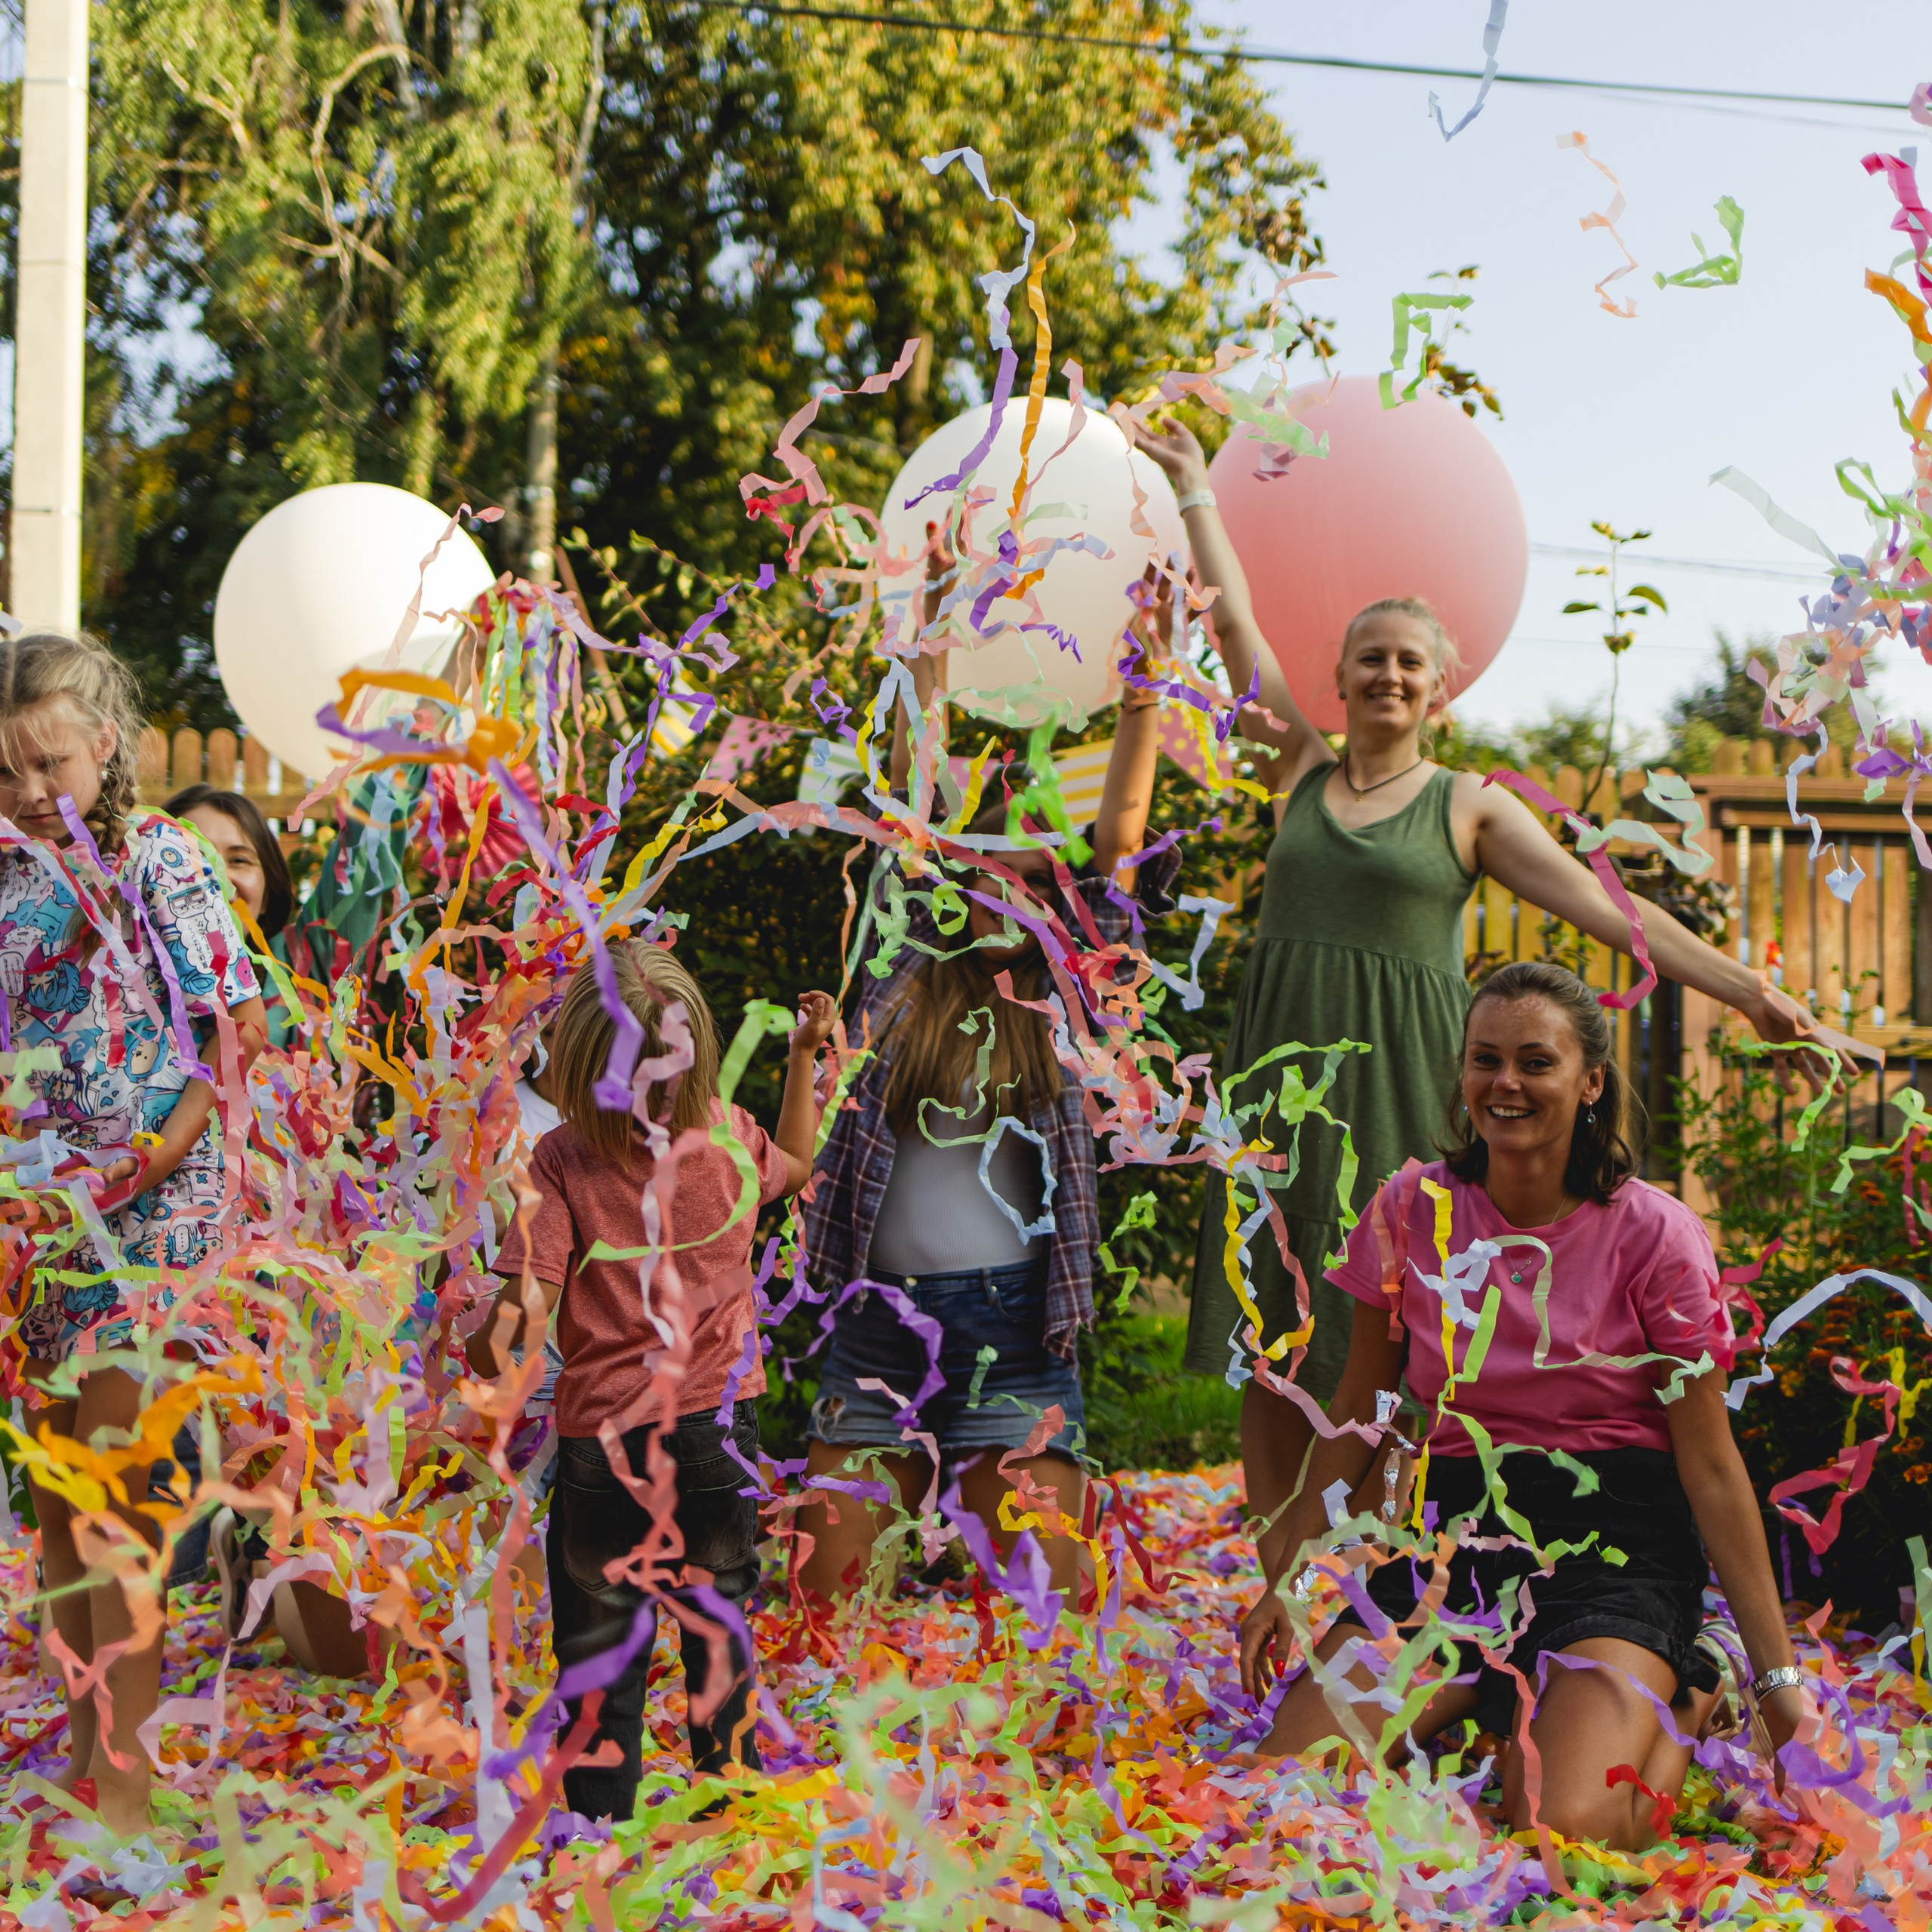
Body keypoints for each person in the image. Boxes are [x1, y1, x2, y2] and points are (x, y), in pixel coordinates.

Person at [1128, 415, 1860, 1569]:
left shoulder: (1466, 806)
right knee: (1267, 1343)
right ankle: (1278, 1584)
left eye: (1409, 661)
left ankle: (1381, 1573)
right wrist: (1187, 485)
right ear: (1340, 674)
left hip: (1397, 1082)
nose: (1387, 674)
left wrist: (1753, 993)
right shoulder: (1299, 773)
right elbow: (1232, 621)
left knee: (1391, 1338)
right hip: (1277, 1089)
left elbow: (1611, 913)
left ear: (1440, 687)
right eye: (1369, 657)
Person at [1236, 961, 1808, 1850]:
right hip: (1454, 1547)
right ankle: (1498, 1691)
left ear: (1589, 1083)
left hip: (1614, 1549)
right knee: (1285, 1787)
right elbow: (1361, 1407)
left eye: (1535, 1062)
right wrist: (1286, 1575)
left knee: (1563, 1824)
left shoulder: (1655, 1234)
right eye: (1485, 1059)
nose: (1504, 1083)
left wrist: (1779, 1679)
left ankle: (1694, 1687)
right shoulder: (1408, 1207)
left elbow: (1708, 1462)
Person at [795, 543, 1178, 1602]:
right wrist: (925, 636)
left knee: (1039, 1614)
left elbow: (1124, 844)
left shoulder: (1063, 994)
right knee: (826, 1610)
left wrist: (1144, 690)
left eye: (1024, 865)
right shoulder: (901, 967)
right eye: (978, 860)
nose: (997, 878)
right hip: (876, 1320)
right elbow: (910, 807)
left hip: (1013, 1326)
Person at [469, 940, 835, 1820]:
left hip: (604, 1444)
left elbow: (523, 1313)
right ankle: (729, 1795)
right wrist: (798, 1060)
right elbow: (799, 1161)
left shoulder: (559, 1161)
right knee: (718, 1621)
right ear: (699, 1050)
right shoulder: (732, 1138)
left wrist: (480, 1343)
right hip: (715, 1432)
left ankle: (599, 1824)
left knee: (599, 1643)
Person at [0, 633, 268, 1835]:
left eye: (47, 761)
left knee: (115, 1500)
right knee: (58, 1504)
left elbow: (231, 1026)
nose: (25, 791)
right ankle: (94, 1756)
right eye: (4, 770)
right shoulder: (4, 872)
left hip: (152, 1220)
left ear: (105, 744)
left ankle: (131, 1787)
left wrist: (153, 1157)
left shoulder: (157, 856)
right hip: (36, 1225)